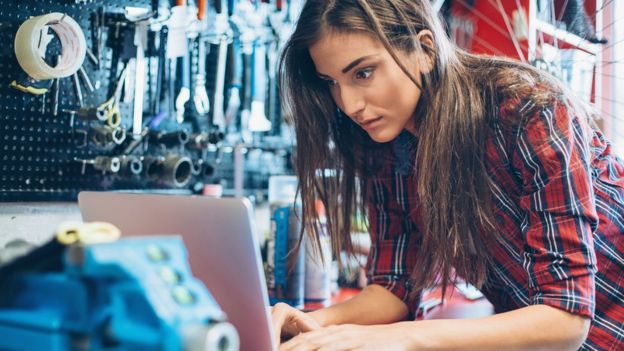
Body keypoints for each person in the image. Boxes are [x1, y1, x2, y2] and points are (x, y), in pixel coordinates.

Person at [272, 0, 624, 350]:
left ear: (425, 50)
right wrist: (307, 323)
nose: (349, 105)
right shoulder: (385, 143)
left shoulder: (530, 112)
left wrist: (404, 336)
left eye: (363, 73)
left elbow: (566, 319)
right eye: (331, 82)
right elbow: (394, 288)